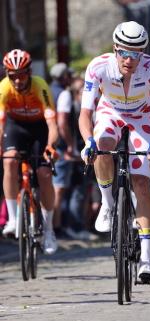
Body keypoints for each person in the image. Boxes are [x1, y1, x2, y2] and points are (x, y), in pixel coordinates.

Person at [79, 21, 150, 283]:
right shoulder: (98, 67)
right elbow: (86, 112)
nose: (130, 59)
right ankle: (108, 205)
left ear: (144, 53)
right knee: (102, 146)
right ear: (115, 49)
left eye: (136, 53)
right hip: (110, 112)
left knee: (141, 182)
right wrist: (88, 141)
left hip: (143, 117)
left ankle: (146, 260)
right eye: (124, 52)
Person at [0, 49, 59, 254]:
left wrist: (51, 145)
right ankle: (13, 219)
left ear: (29, 72)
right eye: (12, 76)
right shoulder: (4, 88)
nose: (17, 80)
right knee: (9, 161)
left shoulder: (40, 86)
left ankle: (49, 229)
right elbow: (0, 124)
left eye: (22, 75)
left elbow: (52, 124)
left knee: (44, 174)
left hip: (40, 129)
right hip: (16, 128)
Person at [49, 62, 76, 237]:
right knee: (58, 188)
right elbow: (62, 123)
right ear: (64, 77)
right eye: (69, 75)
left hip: (43, 141)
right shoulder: (64, 94)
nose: (71, 78)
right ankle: (55, 226)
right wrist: (69, 144)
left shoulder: (47, 90)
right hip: (58, 145)